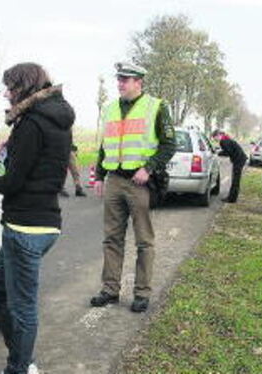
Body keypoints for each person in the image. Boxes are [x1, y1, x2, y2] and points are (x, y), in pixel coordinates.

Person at [0, 62, 75, 374]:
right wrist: (12, 149)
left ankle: (18, 368)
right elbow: (40, 164)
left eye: (10, 87)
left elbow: (12, 182)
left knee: (21, 308)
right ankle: (23, 360)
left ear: (25, 87)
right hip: (43, 223)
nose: (6, 93)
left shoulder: (31, 123)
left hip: (25, 228)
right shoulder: (55, 118)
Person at [89, 62, 176, 313]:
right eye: (119, 79)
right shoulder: (110, 109)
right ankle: (110, 289)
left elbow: (169, 146)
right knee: (111, 238)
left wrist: (148, 168)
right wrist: (99, 176)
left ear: (139, 82)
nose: (120, 84)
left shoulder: (156, 106)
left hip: (139, 182)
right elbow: (106, 145)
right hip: (115, 180)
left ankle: (141, 293)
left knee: (143, 241)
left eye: (125, 79)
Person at [211, 129, 247, 203]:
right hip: (240, 159)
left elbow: (228, 152)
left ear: (217, 135)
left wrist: (218, 153)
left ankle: (231, 199)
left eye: (214, 138)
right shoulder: (226, 139)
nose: (215, 140)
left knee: (235, 180)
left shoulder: (223, 141)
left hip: (238, 160)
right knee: (236, 179)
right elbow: (229, 150)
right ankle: (232, 197)